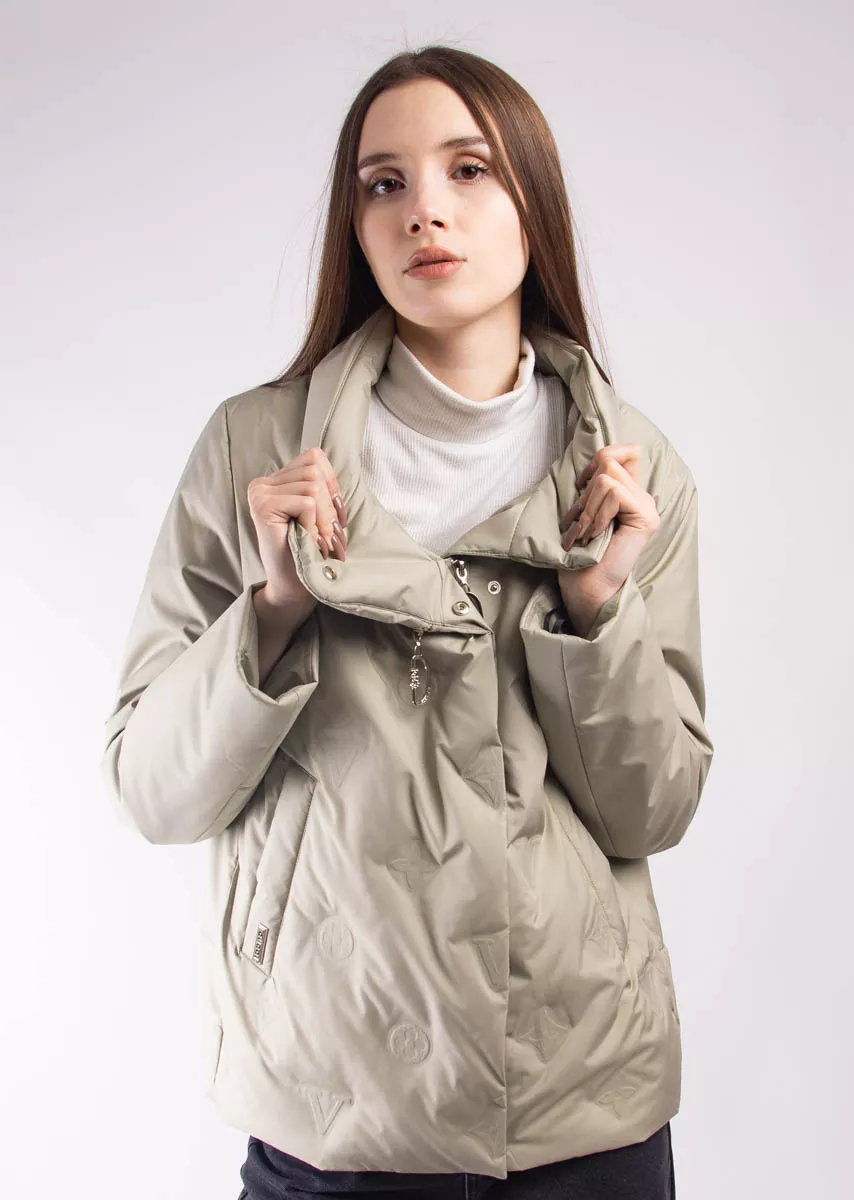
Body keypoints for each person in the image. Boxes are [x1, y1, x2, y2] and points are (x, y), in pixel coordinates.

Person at [101, 43, 714, 1200]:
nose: (424, 209)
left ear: (533, 199)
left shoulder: (635, 473)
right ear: (357, 224)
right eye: (384, 183)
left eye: (468, 170)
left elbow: (655, 807)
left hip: (579, 1110)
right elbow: (151, 787)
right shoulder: (254, 452)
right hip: (332, 1109)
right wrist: (275, 608)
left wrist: (596, 611)